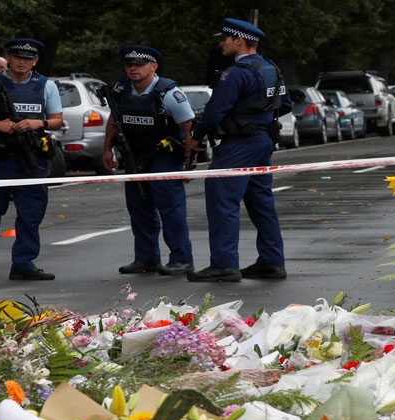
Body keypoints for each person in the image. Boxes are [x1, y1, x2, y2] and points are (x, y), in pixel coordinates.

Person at [186, 18, 292, 283]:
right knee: (261, 202)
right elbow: (286, 104)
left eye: (225, 39)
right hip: (263, 141)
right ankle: (271, 261)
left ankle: (223, 264)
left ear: (239, 41)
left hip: (238, 144)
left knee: (223, 201)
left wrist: (196, 137)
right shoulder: (271, 68)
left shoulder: (234, 73)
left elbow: (215, 111)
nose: (222, 43)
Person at [0, 38, 63, 281]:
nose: (22, 61)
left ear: (35, 61)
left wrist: (39, 123)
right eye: (17, 56)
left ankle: (24, 264)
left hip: (30, 159)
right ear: (8, 57)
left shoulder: (46, 86)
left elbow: (57, 119)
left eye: (28, 58)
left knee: (31, 212)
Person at [103, 46, 196, 276]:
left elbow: (189, 129)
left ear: (153, 67)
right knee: (139, 208)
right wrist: (106, 150)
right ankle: (146, 259)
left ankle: (182, 259)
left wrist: (188, 164)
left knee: (171, 210)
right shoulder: (121, 89)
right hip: (134, 155)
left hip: (164, 156)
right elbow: (114, 119)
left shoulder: (169, 93)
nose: (132, 69)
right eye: (128, 65)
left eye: (139, 65)